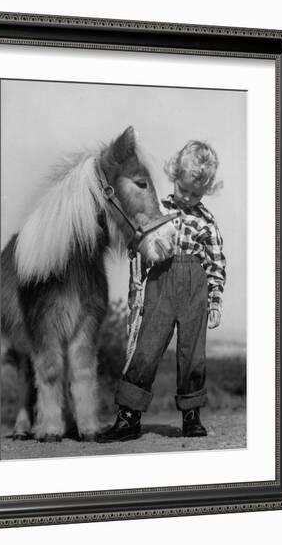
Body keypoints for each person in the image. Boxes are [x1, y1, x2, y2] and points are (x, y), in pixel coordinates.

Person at [98, 140, 226, 441]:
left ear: (206, 191)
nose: (189, 197)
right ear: (174, 177)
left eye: (197, 193)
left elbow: (216, 264)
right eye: (184, 189)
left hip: (196, 288)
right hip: (159, 283)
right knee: (146, 347)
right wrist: (136, 283)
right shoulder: (159, 210)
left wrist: (215, 300)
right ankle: (128, 417)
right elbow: (139, 239)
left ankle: (191, 416)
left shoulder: (208, 222)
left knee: (193, 353)